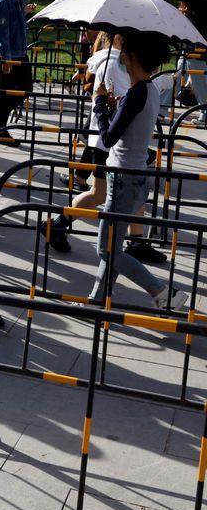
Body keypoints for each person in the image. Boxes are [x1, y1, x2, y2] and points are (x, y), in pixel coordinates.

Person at [79, 33, 190, 309]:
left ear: (132, 57)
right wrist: (116, 106)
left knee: (106, 249)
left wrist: (100, 103)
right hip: (137, 176)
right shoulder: (149, 90)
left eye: (124, 53)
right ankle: (97, 300)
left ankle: (162, 292)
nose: (121, 59)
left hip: (123, 178)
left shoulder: (134, 94)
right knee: (113, 247)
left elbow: (106, 140)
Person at [45, 33, 166, 265]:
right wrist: (102, 103)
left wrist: (114, 103)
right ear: (120, 40)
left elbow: (127, 102)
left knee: (131, 197)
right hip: (107, 145)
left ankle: (137, 241)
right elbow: (118, 113)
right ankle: (58, 224)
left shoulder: (138, 82)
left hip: (122, 146)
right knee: (99, 195)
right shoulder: (112, 64)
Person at [0, 0, 33, 143]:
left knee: (25, 90)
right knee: (7, 95)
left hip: (20, 52)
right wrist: (6, 60)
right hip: (10, 56)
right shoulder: (4, 1)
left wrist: (24, 12)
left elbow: (14, 23)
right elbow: (1, 33)